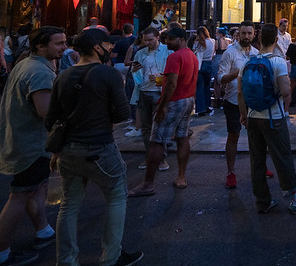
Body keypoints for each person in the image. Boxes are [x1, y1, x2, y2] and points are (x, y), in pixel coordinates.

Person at [46, 29, 143, 266]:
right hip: (100, 146)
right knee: (116, 196)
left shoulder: (63, 75)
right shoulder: (108, 74)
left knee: (69, 204)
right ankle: (111, 256)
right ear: (97, 47)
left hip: (69, 149)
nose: (111, 50)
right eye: (108, 46)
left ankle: (66, 260)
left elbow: (51, 119)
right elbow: (122, 114)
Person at [0, 27, 67, 266]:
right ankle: (2, 251)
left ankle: (43, 230)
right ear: (40, 46)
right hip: (31, 144)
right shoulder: (39, 71)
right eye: (58, 43)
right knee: (19, 195)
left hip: (22, 139)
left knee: (36, 188)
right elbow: (45, 112)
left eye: (64, 42)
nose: (63, 47)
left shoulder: (26, 64)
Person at [239, 23, 296, 215]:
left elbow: (240, 93)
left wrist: (243, 115)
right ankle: (294, 199)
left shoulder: (248, 61)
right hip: (273, 117)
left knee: (257, 161)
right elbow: (285, 90)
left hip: (252, 117)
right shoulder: (278, 61)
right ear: (276, 39)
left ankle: (262, 201)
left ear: (258, 39)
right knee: (282, 157)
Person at [128, 26, 198, 196]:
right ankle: (181, 177)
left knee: (156, 140)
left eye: (170, 40)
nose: (167, 43)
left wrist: (163, 105)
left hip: (174, 100)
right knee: (182, 137)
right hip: (188, 99)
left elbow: (172, 83)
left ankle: (148, 183)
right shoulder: (191, 55)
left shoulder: (174, 57)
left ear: (181, 39)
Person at [217, 21, 260, 189]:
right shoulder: (230, 53)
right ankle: (231, 172)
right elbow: (220, 78)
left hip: (252, 102)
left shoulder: (256, 53)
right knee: (233, 136)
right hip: (233, 102)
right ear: (238, 34)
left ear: (254, 34)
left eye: (249, 33)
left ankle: (260, 167)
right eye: (244, 33)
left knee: (256, 137)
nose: (247, 36)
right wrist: (236, 73)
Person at [130, 27, 171, 172]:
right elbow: (136, 76)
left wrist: (162, 77)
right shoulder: (140, 53)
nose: (148, 43)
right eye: (145, 40)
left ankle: (162, 158)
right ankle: (149, 156)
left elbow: (172, 73)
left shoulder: (167, 51)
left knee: (159, 126)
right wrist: (135, 72)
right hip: (144, 91)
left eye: (150, 40)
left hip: (159, 92)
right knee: (146, 127)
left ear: (157, 38)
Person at [192, 26, 215, 116]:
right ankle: (207, 105)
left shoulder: (197, 43)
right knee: (207, 86)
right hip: (209, 64)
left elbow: (194, 52)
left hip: (200, 65)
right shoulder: (212, 41)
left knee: (199, 87)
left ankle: (200, 109)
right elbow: (213, 53)